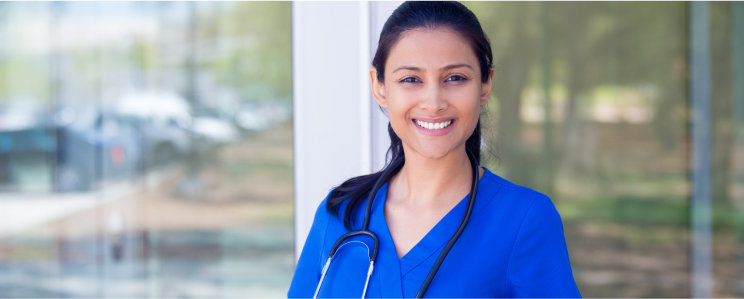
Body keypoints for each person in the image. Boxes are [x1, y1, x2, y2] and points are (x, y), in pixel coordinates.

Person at [288, 1, 581, 298]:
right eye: (411, 79)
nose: (433, 102)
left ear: (484, 85)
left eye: (455, 78)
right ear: (379, 87)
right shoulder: (340, 213)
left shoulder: (524, 220)